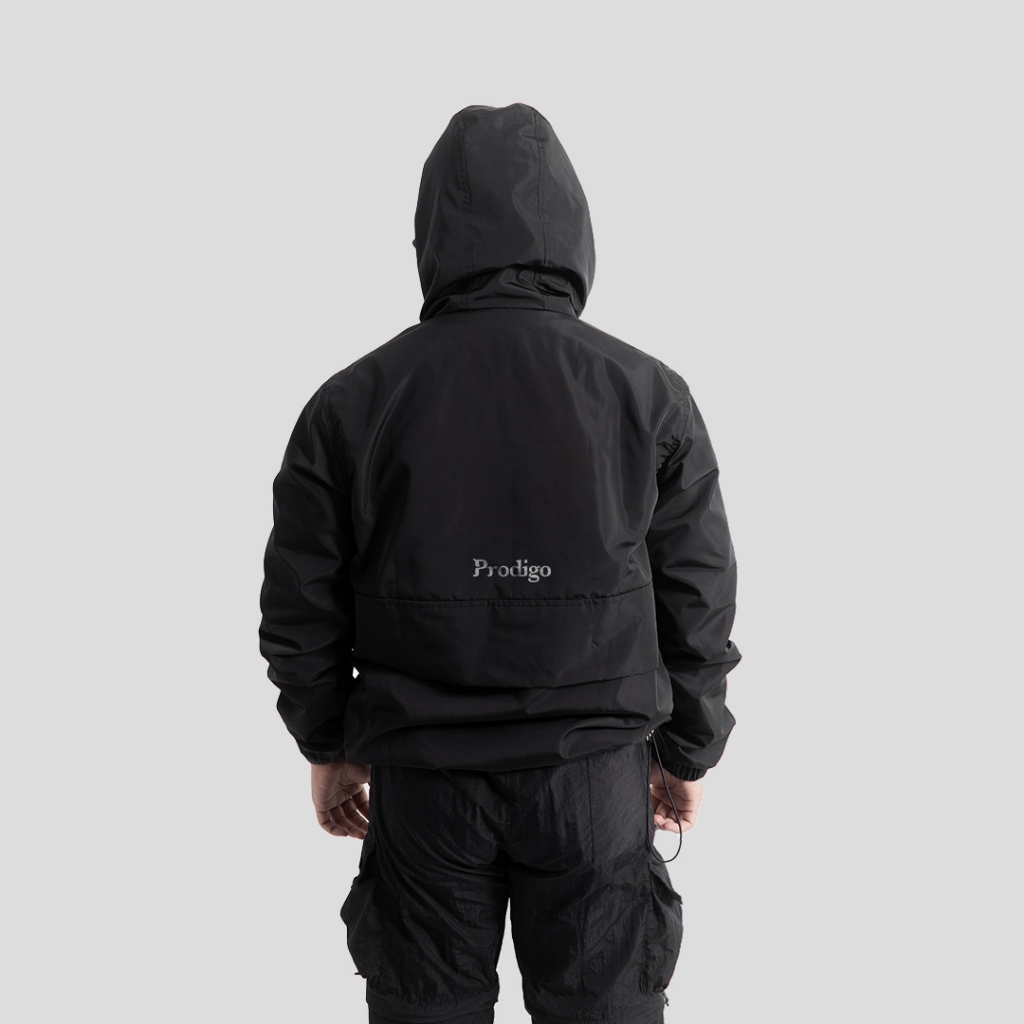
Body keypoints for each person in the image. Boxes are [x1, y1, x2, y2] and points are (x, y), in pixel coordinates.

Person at [259, 102, 742, 1024]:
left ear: (431, 236)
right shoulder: (647, 393)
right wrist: (688, 749)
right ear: (574, 229)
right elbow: (698, 593)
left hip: (424, 780)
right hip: (593, 779)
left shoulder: (353, 400)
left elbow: (301, 604)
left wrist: (328, 745)